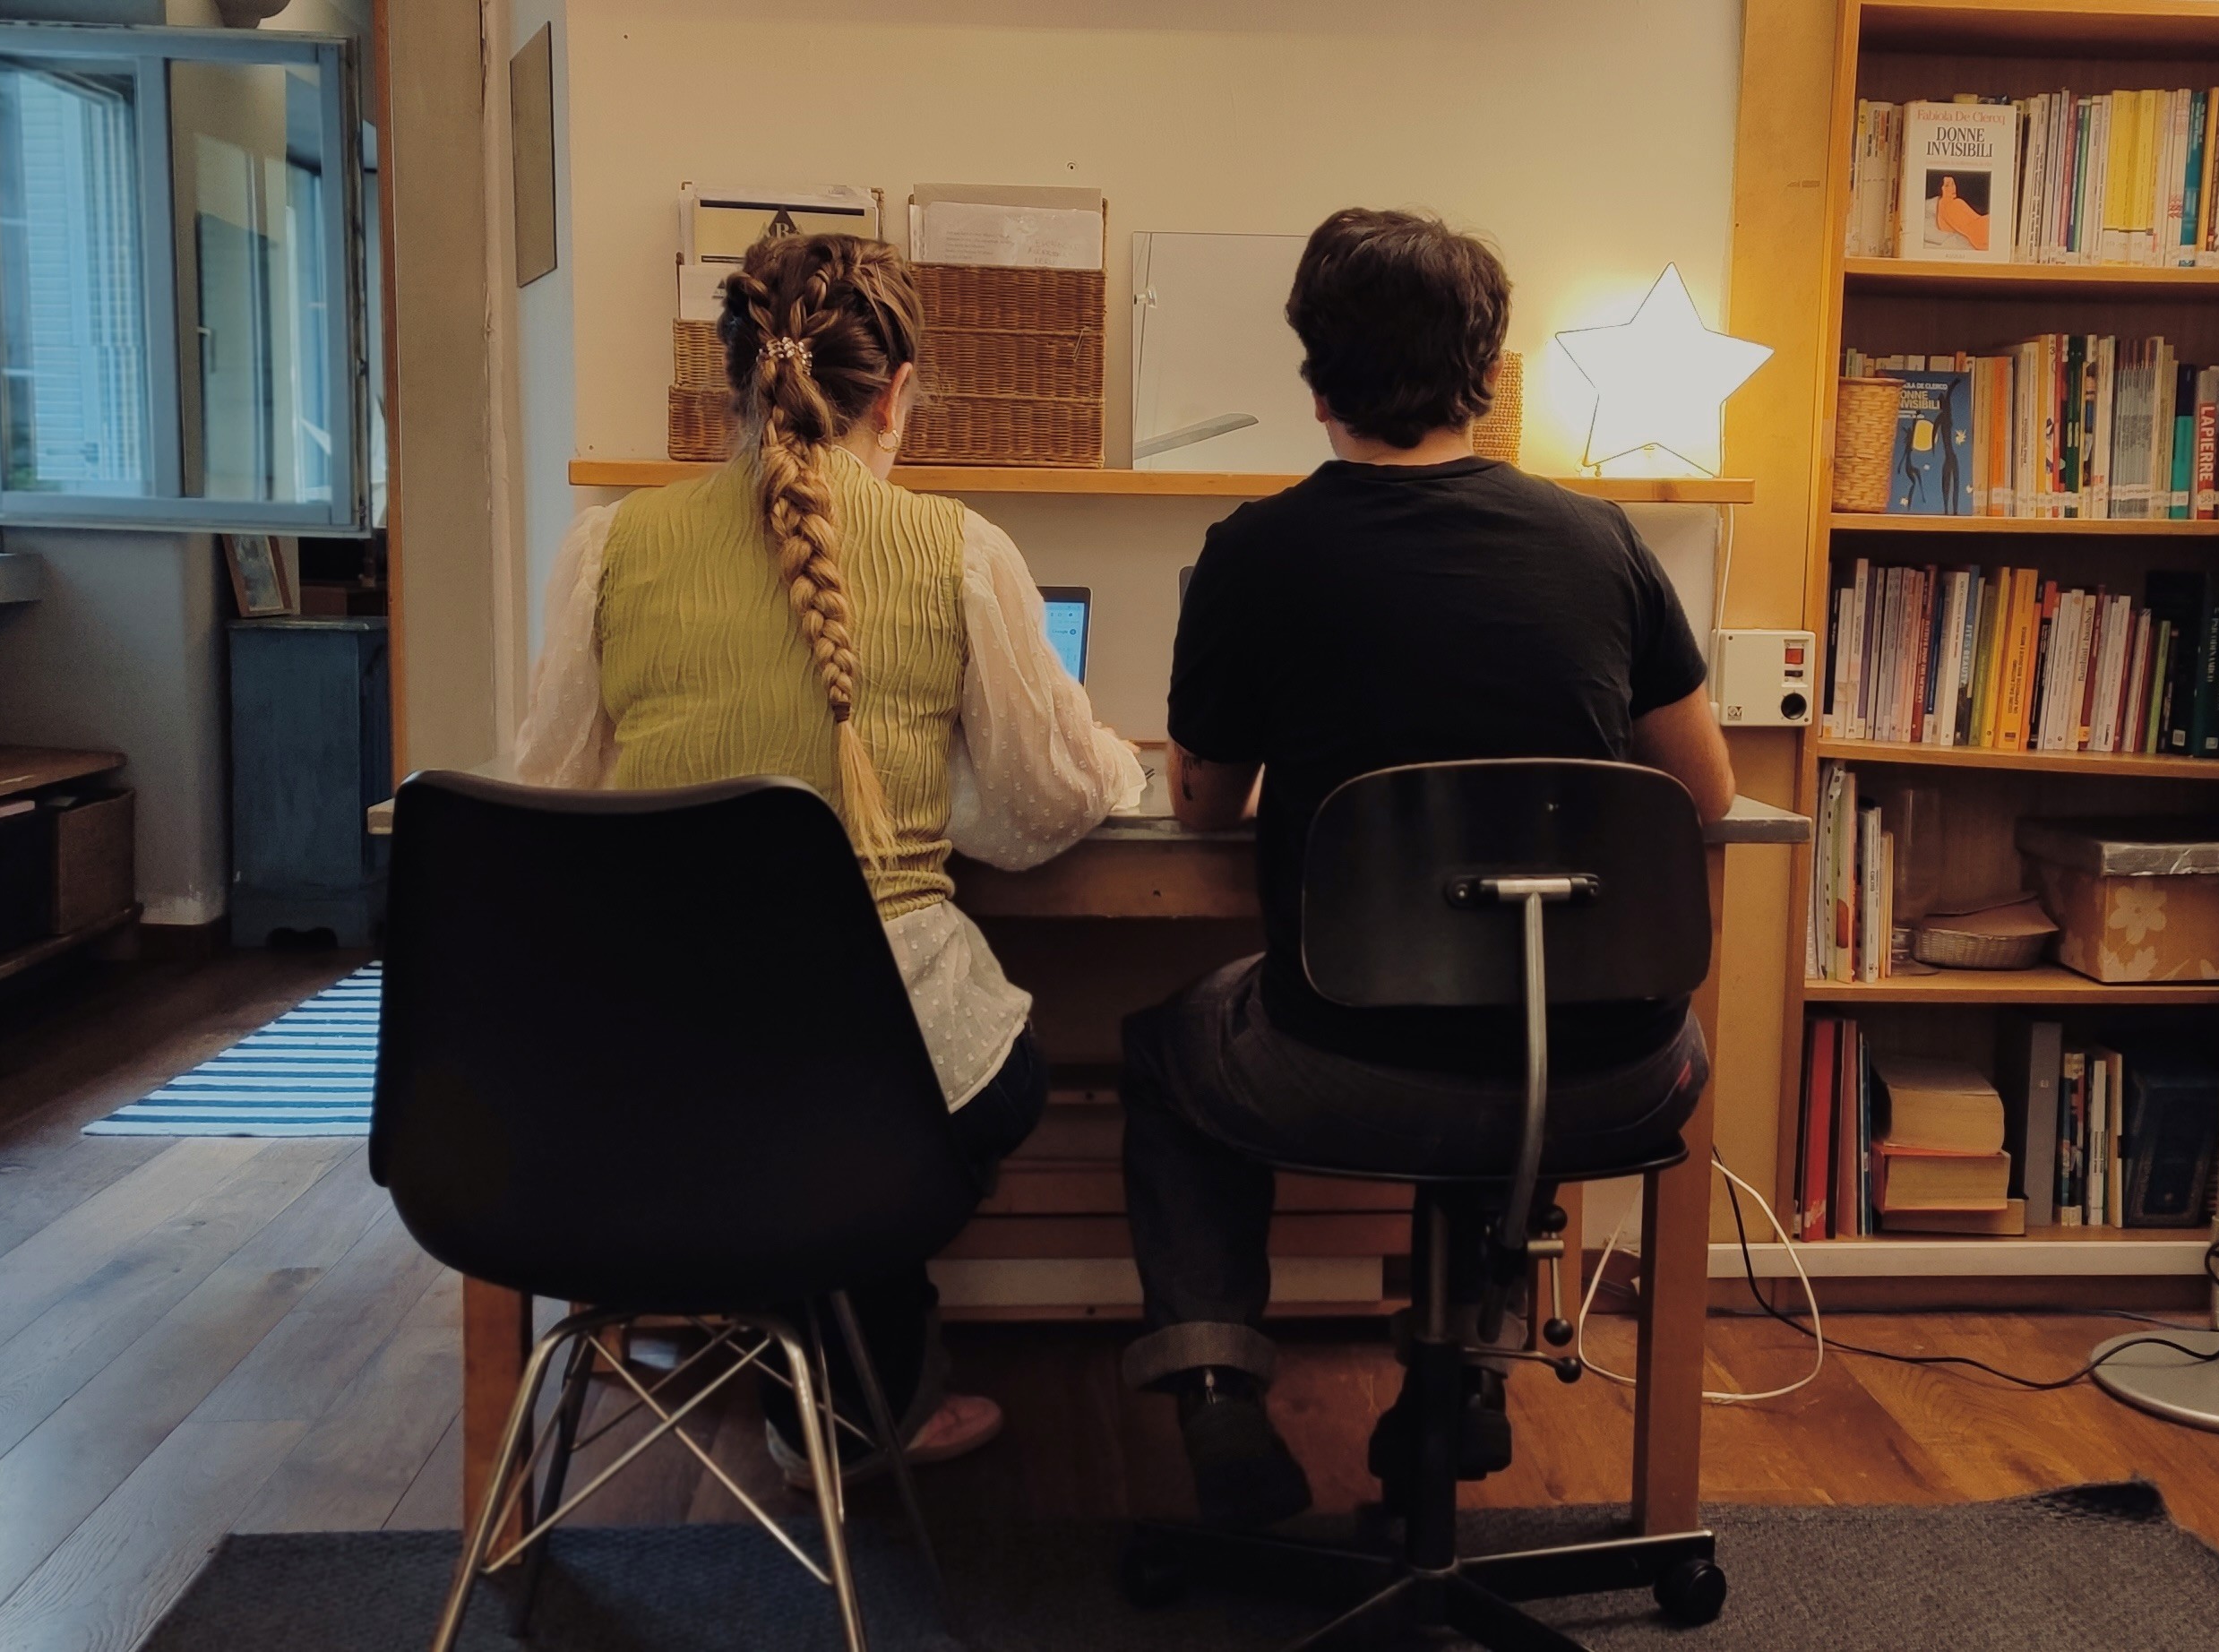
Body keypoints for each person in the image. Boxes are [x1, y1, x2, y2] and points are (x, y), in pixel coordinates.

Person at [1120, 207, 1737, 1529]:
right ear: (1489, 373)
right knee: (1507, 998)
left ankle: (1219, 1384)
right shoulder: (1603, 542)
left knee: (1171, 1047)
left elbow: (1201, 812)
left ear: (1314, 376)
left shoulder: (1256, 552)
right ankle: (1463, 1370)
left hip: (1340, 1065)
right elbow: (1709, 793)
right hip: (1617, 1072)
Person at [514, 231, 1143, 1481]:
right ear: (898, 391)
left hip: (652, 1061)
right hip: (857, 1073)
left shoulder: (607, 549)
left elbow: (553, 794)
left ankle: (824, 1352)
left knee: (802, 1101)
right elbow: (1043, 805)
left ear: (731, 378)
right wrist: (1112, 759)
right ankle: (852, 1371)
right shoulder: (960, 550)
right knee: (982, 1080)